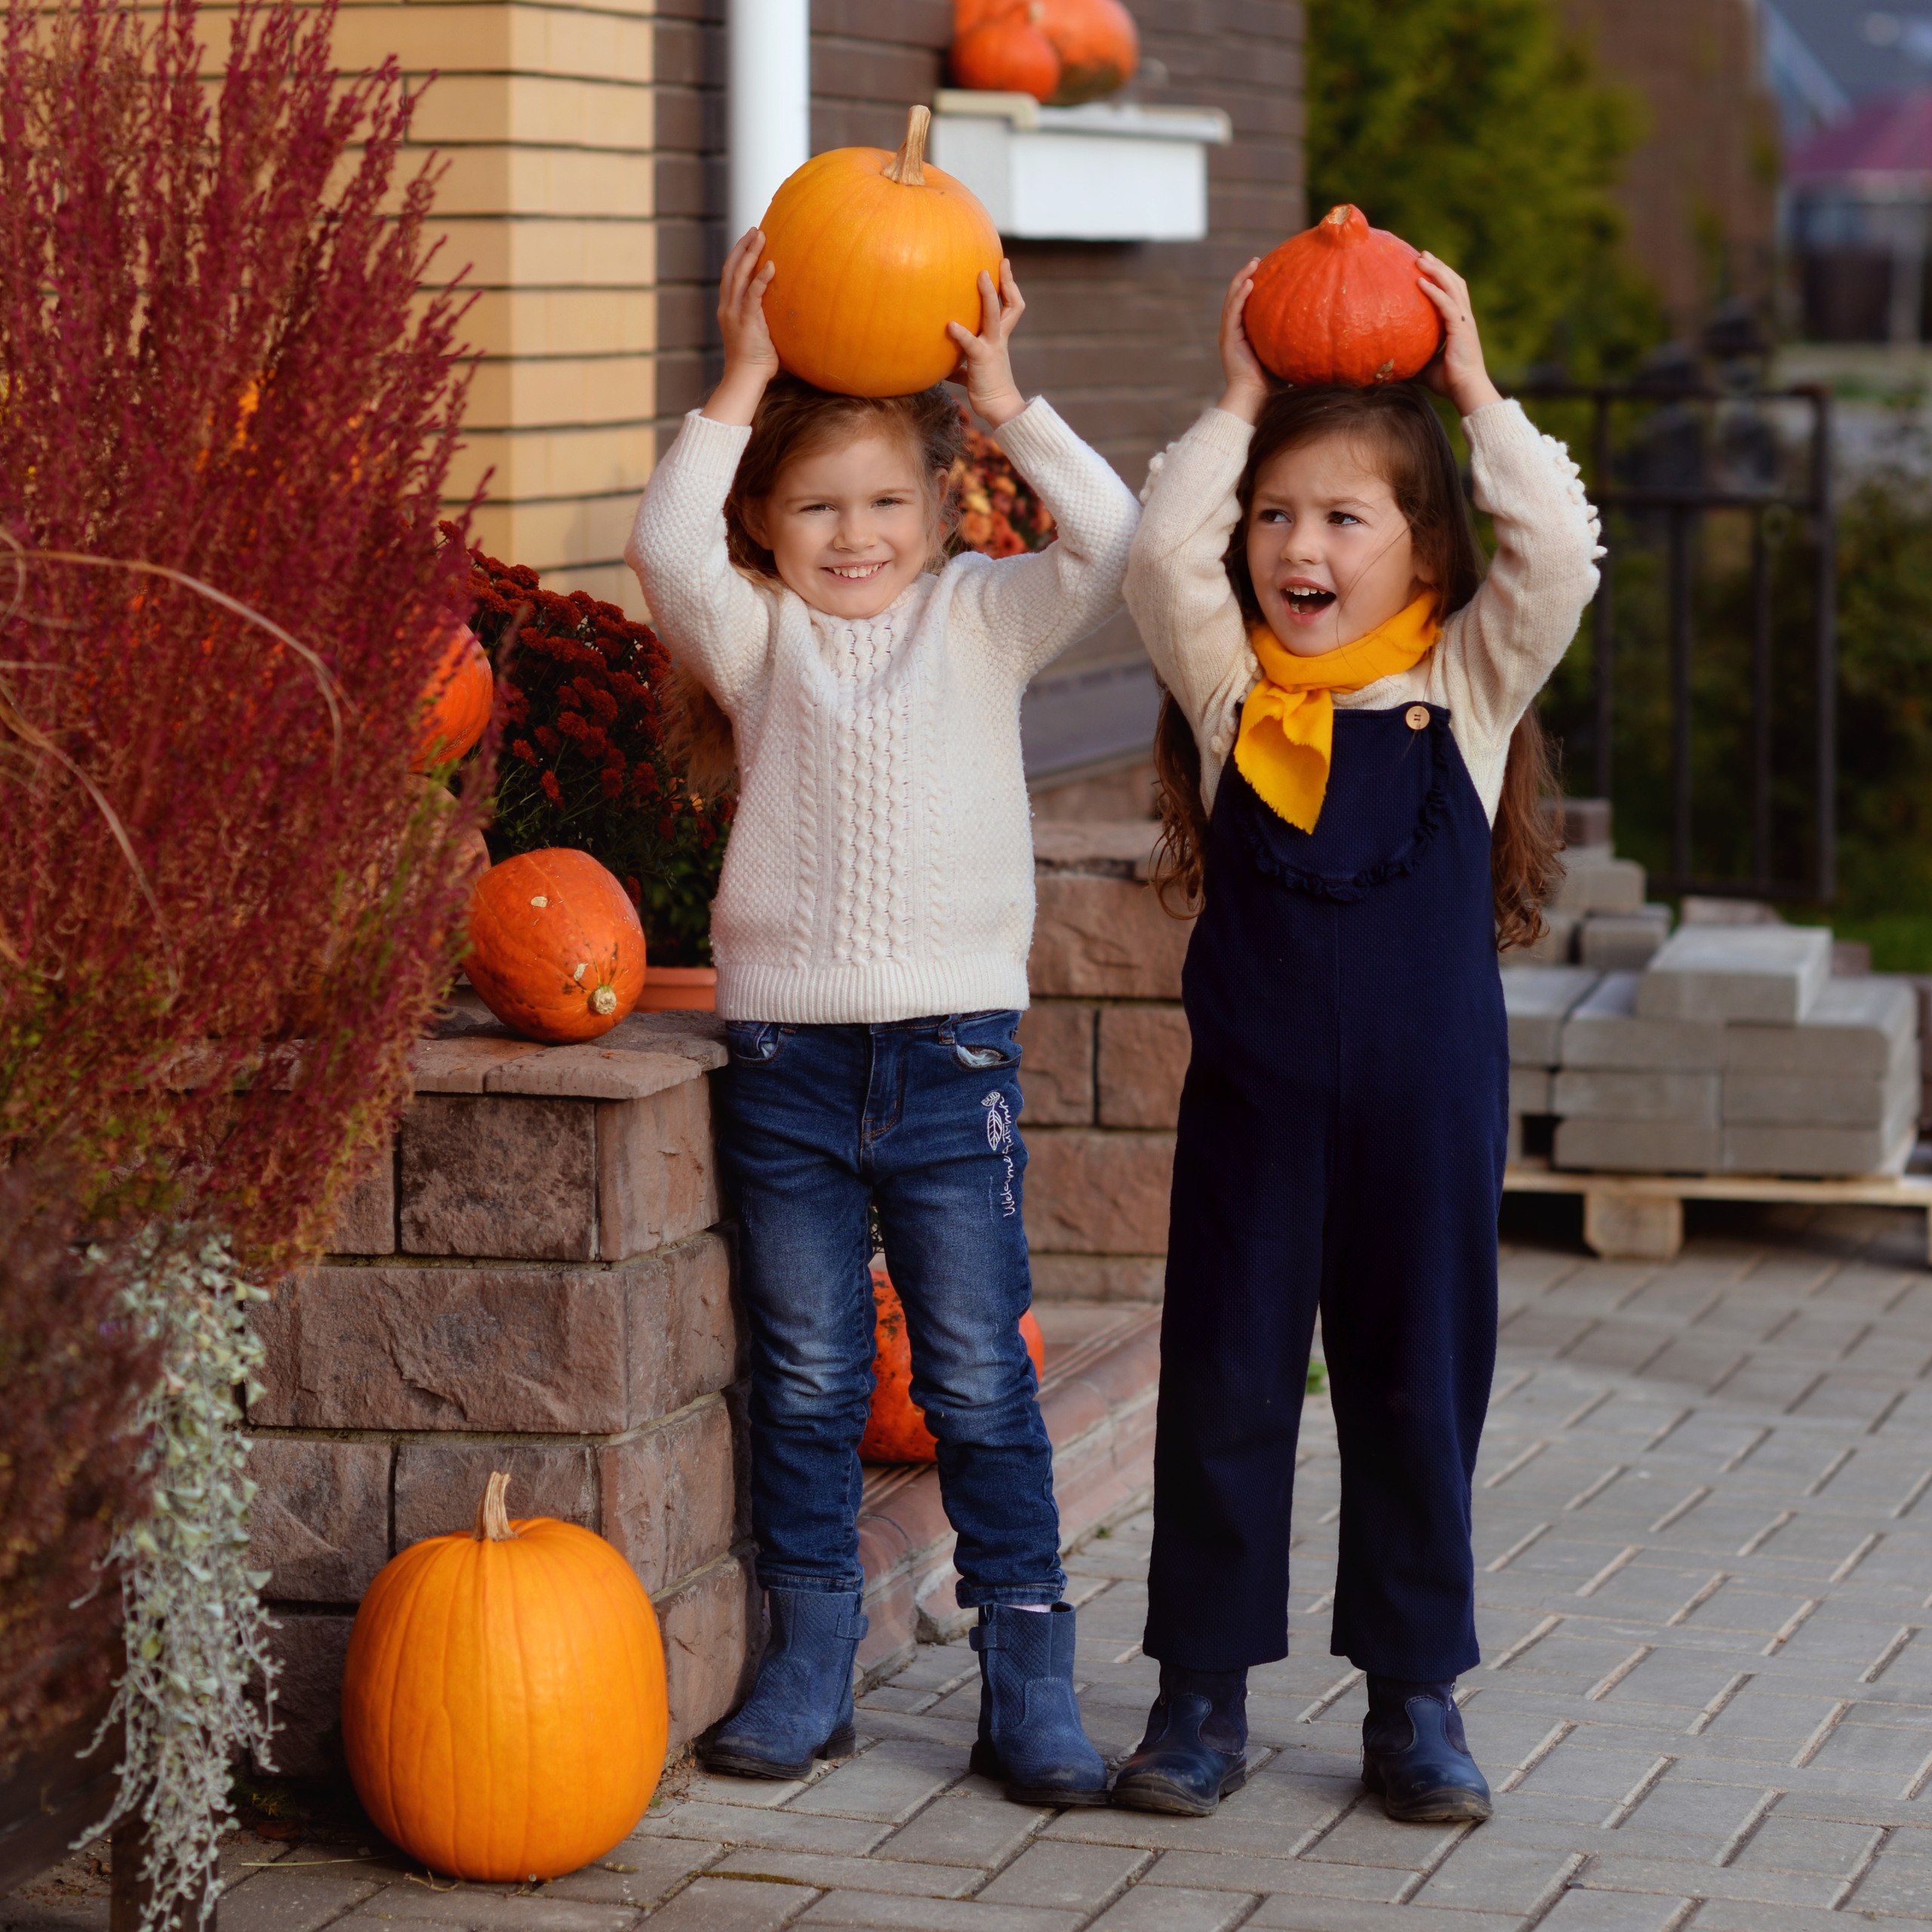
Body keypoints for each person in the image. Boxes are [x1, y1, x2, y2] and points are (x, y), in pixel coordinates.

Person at [625, 230, 1140, 1807]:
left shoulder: (980, 616)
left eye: (885, 503)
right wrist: (739, 383)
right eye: (816, 504)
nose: (854, 533)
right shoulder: (760, 636)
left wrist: (1003, 396)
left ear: (940, 510)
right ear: (768, 526)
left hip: (948, 1061)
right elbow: (660, 549)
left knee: (979, 1368)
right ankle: (807, 1656)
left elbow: (1110, 538)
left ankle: (1029, 1667)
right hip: (784, 1059)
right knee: (803, 1368)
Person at [1111, 253, 1602, 1821]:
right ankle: (1197, 1690)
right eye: (1275, 514)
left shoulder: (1462, 682)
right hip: (1254, 1112)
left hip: (1423, 1114)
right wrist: (1237, 397)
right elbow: (1154, 555)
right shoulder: (1226, 690)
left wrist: (1468, 388)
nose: (1297, 544)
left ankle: (1414, 1697)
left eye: (1343, 517)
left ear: (1421, 548)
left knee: (1412, 1385)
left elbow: (1564, 554)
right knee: (1228, 1381)